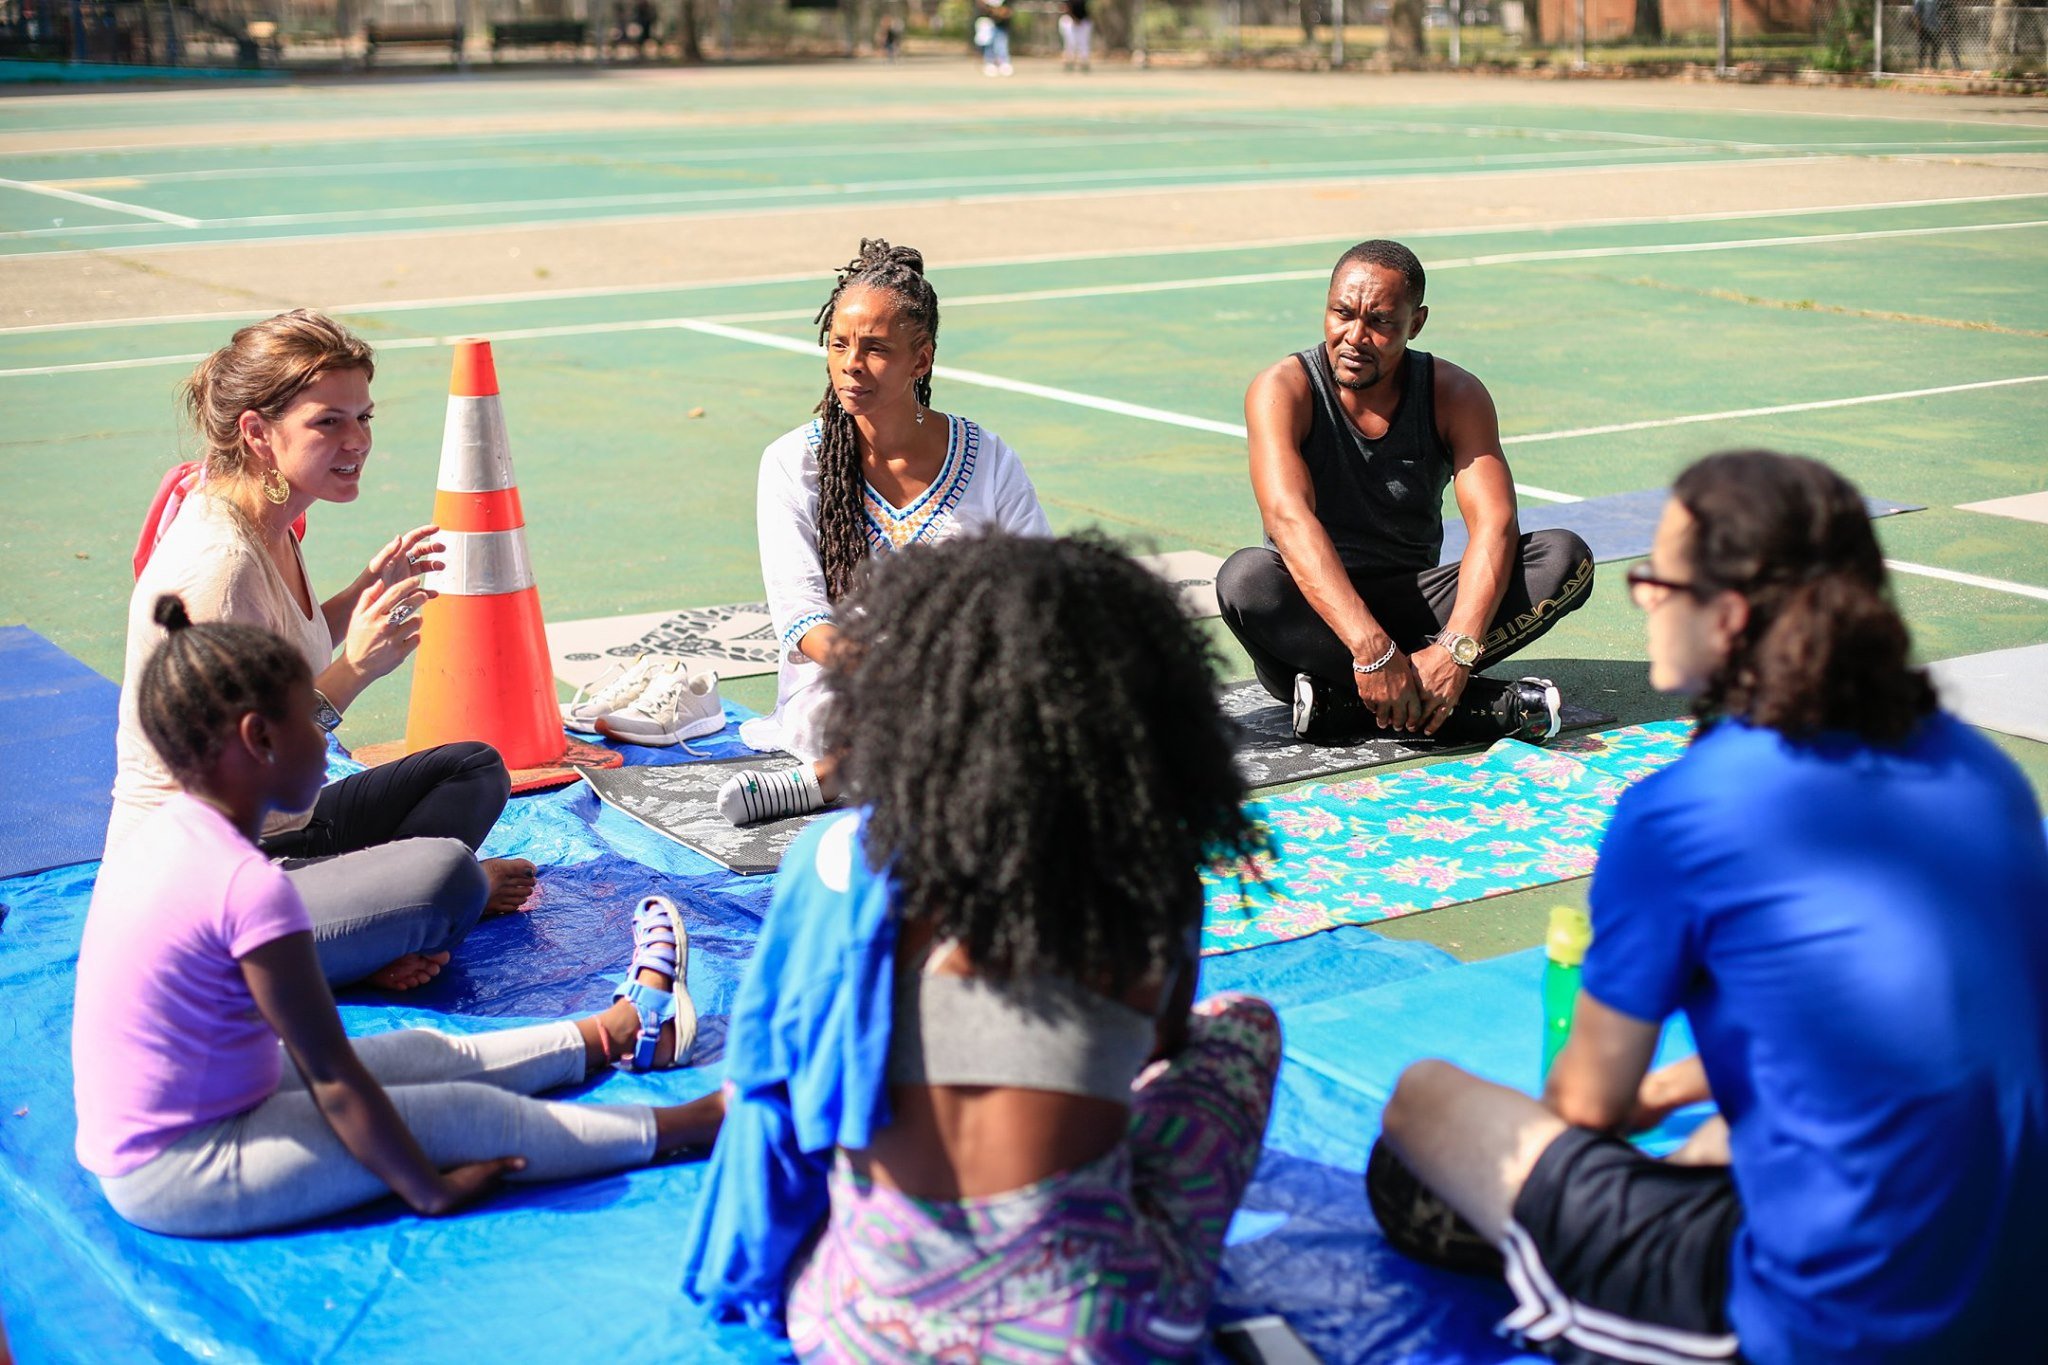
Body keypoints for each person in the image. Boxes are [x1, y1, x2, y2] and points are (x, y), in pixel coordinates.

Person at [1374, 451, 2048, 1364]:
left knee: (1424, 1107)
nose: (1643, 594)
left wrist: (1641, 1100)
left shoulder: (1681, 811)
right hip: (2017, 1283)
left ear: (1728, 617)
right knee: (1724, 1140)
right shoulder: (1984, 774)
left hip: (1823, 1323)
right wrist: (1681, 1093)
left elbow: (1589, 1101)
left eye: (1659, 577)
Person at [682, 534, 1281, 1359]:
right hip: (1093, 1338)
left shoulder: (834, 865)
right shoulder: (1151, 875)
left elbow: (770, 1101)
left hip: (858, 1332)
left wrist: (742, 1279)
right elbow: (1164, 1050)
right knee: (1242, 1024)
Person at [76, 597, 727, 1238]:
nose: (324, 738)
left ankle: (605, 1035)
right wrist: (430, 1187)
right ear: (259, 739)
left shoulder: (166, 834)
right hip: (181, 1165)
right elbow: (336, 1081)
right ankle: (692, 1122)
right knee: (456, 1114)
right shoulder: (246, 887)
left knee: (419, 1052)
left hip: (198, 1102)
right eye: (310, 718)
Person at [114, 310, 535, 992]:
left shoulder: (268, 518)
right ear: (256, 431)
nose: (357, 440)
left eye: (364, 417)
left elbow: (279, 639)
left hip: (285, 835)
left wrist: (363, 590)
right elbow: (248, 769)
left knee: (475, 768)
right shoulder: (219, 567)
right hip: (206, 889)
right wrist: (353, 671)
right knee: (445, 877)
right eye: (328, 421)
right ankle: (379, 931)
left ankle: (372, 923)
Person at [718, 239, 1049, 826]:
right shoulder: (792, 461)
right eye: (839, 344)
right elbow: (800, 618)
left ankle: (839, 776)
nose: (851, 364)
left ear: (920, 360)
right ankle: (850, 765)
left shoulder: (990, 458)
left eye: (876, 349)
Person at [1216, 239, 1594, 745]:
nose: (1355, 336)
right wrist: (1372, 650)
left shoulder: (1454, 395)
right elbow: (1289, 521)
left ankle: (1348, 705)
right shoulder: (1284, 389)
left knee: (1566, 557)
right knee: (1247, 579)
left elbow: (1494, 525)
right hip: (1316, 622)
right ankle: (1480, 708)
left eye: (1381, 323)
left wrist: (1456, 649)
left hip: (1418, 608)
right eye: (1341, 314)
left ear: (1416, 323)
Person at [979, 0, 1013, 74]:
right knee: (989, 43)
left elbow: (1008, 9)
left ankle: (1004, 63)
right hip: (987, 22)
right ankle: (989, 63)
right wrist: (991, 10)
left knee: (1001, 43)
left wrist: (1001, 12)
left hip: (1001, 24)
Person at [1060, 0, 1091, 70]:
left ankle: (1083, 62)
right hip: (1070, 21)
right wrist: (1074, 19)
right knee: (1070, 42)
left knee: (1083, 43)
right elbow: (1065, 8)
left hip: (1083, 21)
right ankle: (1069, 62)